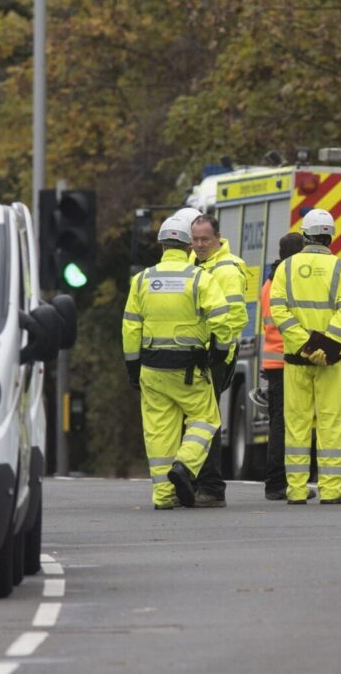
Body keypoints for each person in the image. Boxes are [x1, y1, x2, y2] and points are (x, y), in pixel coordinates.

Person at [122, 215, 233, 509]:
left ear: (161, 245)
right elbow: (223, 320)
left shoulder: (142, 280)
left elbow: (130, 328)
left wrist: (133, 368)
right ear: (188, 246)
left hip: (152, 369)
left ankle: (163, 496)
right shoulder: (200, 278)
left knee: (159, 433)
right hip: (189, 369)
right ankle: (184, 465)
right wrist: (219, 353)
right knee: (206, 419)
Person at [269, 208, 341, 505]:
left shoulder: (286, 268)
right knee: (331, 424)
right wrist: (327, 347)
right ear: (331, 237)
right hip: (333, 361)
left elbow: (278, 311)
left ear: (305, 235)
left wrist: (304, 344)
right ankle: (331, 491)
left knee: (296, 423)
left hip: (297, 360)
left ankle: (296, 490)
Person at [189, 214, 249, 508]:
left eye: (205, 240)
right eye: (195, 239)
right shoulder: (192, 264)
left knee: (206, 420)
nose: (199, 245)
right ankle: (198, 483)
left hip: (213, 355)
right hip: (192, 355)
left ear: (218, 238)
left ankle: (211, 487)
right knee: (196, 420)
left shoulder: (226, 269)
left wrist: (219, 353)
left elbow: (235, 317)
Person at [254, 232, 309, 501]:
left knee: (280, 422)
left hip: (274, 360)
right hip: (286, 359)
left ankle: (279, 481)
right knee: (283, 425)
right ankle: (277, 482)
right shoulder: (286, 283)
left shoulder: (270, 282)